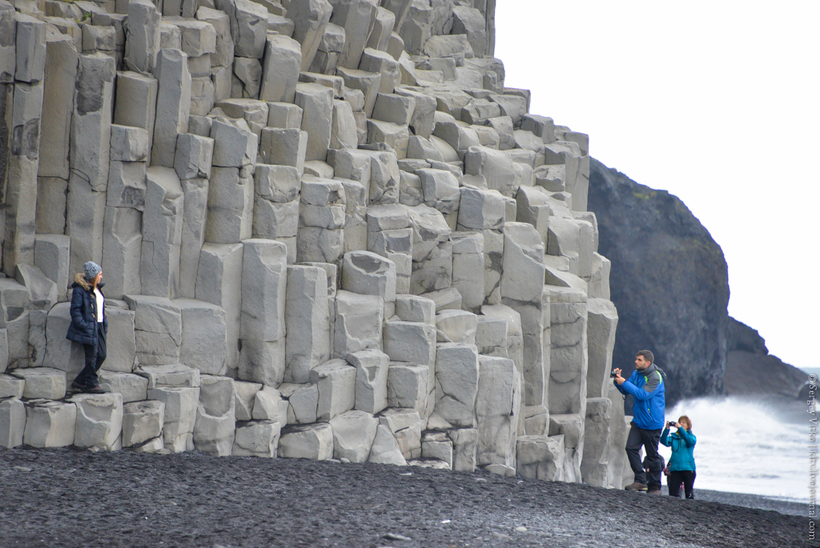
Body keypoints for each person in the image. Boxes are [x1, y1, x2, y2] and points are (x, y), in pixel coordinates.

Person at [613, 349, 666, 494]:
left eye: (639, 360)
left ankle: (655, 487)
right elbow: (626, 390)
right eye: (636, 359)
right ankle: (641, 480)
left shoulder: (655, 377)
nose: (636, 361)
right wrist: (618, 380)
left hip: (652, 423)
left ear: (648, 363)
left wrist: (624, 382)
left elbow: (642, 395)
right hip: (639, 421)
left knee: (652, 455)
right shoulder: (636, 373)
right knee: (631, 448)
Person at [66, 261, 108, 394]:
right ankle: (91, 384)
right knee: (92, 356)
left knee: (101, 355)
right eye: (99, 274)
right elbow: (75, 310)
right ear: (93, 275)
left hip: (99, 326)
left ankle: (79, 381)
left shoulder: (97, 289)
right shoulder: (80, 290)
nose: (101, 277)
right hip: (89, 326)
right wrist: (83, 325)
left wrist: (105, 323)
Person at [661, 415, 697, 499]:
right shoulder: (674, 437)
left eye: (684, 422)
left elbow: (690, 441)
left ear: (688, 426)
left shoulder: (692, 437)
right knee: (673, 493)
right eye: (680, 422)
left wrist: (680, 428)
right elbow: (663, 441)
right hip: (675, 468)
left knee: (689, 494)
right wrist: (666, 429)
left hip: (688, 468)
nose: (681, 424)